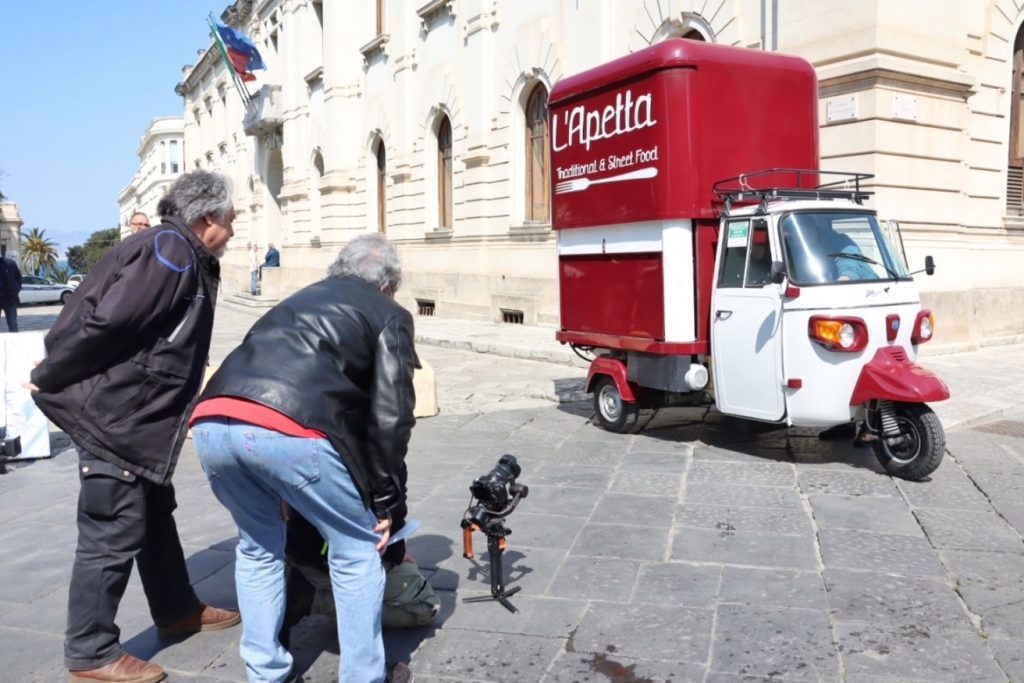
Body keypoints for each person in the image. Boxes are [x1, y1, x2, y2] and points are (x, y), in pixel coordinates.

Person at [27, 170, 241, 683]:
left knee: (153, 514)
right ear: (207, 217)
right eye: (232, 220)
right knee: (110, 531)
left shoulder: (176, 248)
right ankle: (91, 651)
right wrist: (49, 376)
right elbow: (109, 322)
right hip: (119, 418)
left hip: (139, 420)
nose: (234, 230)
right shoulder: (169, 248)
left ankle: (176, 608)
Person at [189, 232, 417, 683]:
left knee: (257, 550)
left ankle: (267, 673)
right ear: (388, 285)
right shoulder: (389, 313)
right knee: (355, 553)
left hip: (213, 421)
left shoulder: (296, 300)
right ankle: (363, 676)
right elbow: (391, 417)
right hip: (289, 430)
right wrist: (387, 503)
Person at [0, 243, 22, 332]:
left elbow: (18, 277)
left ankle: (15, 343)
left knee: (13, 323)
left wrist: (16, 289)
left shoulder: (10, 264)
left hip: (10, 299)